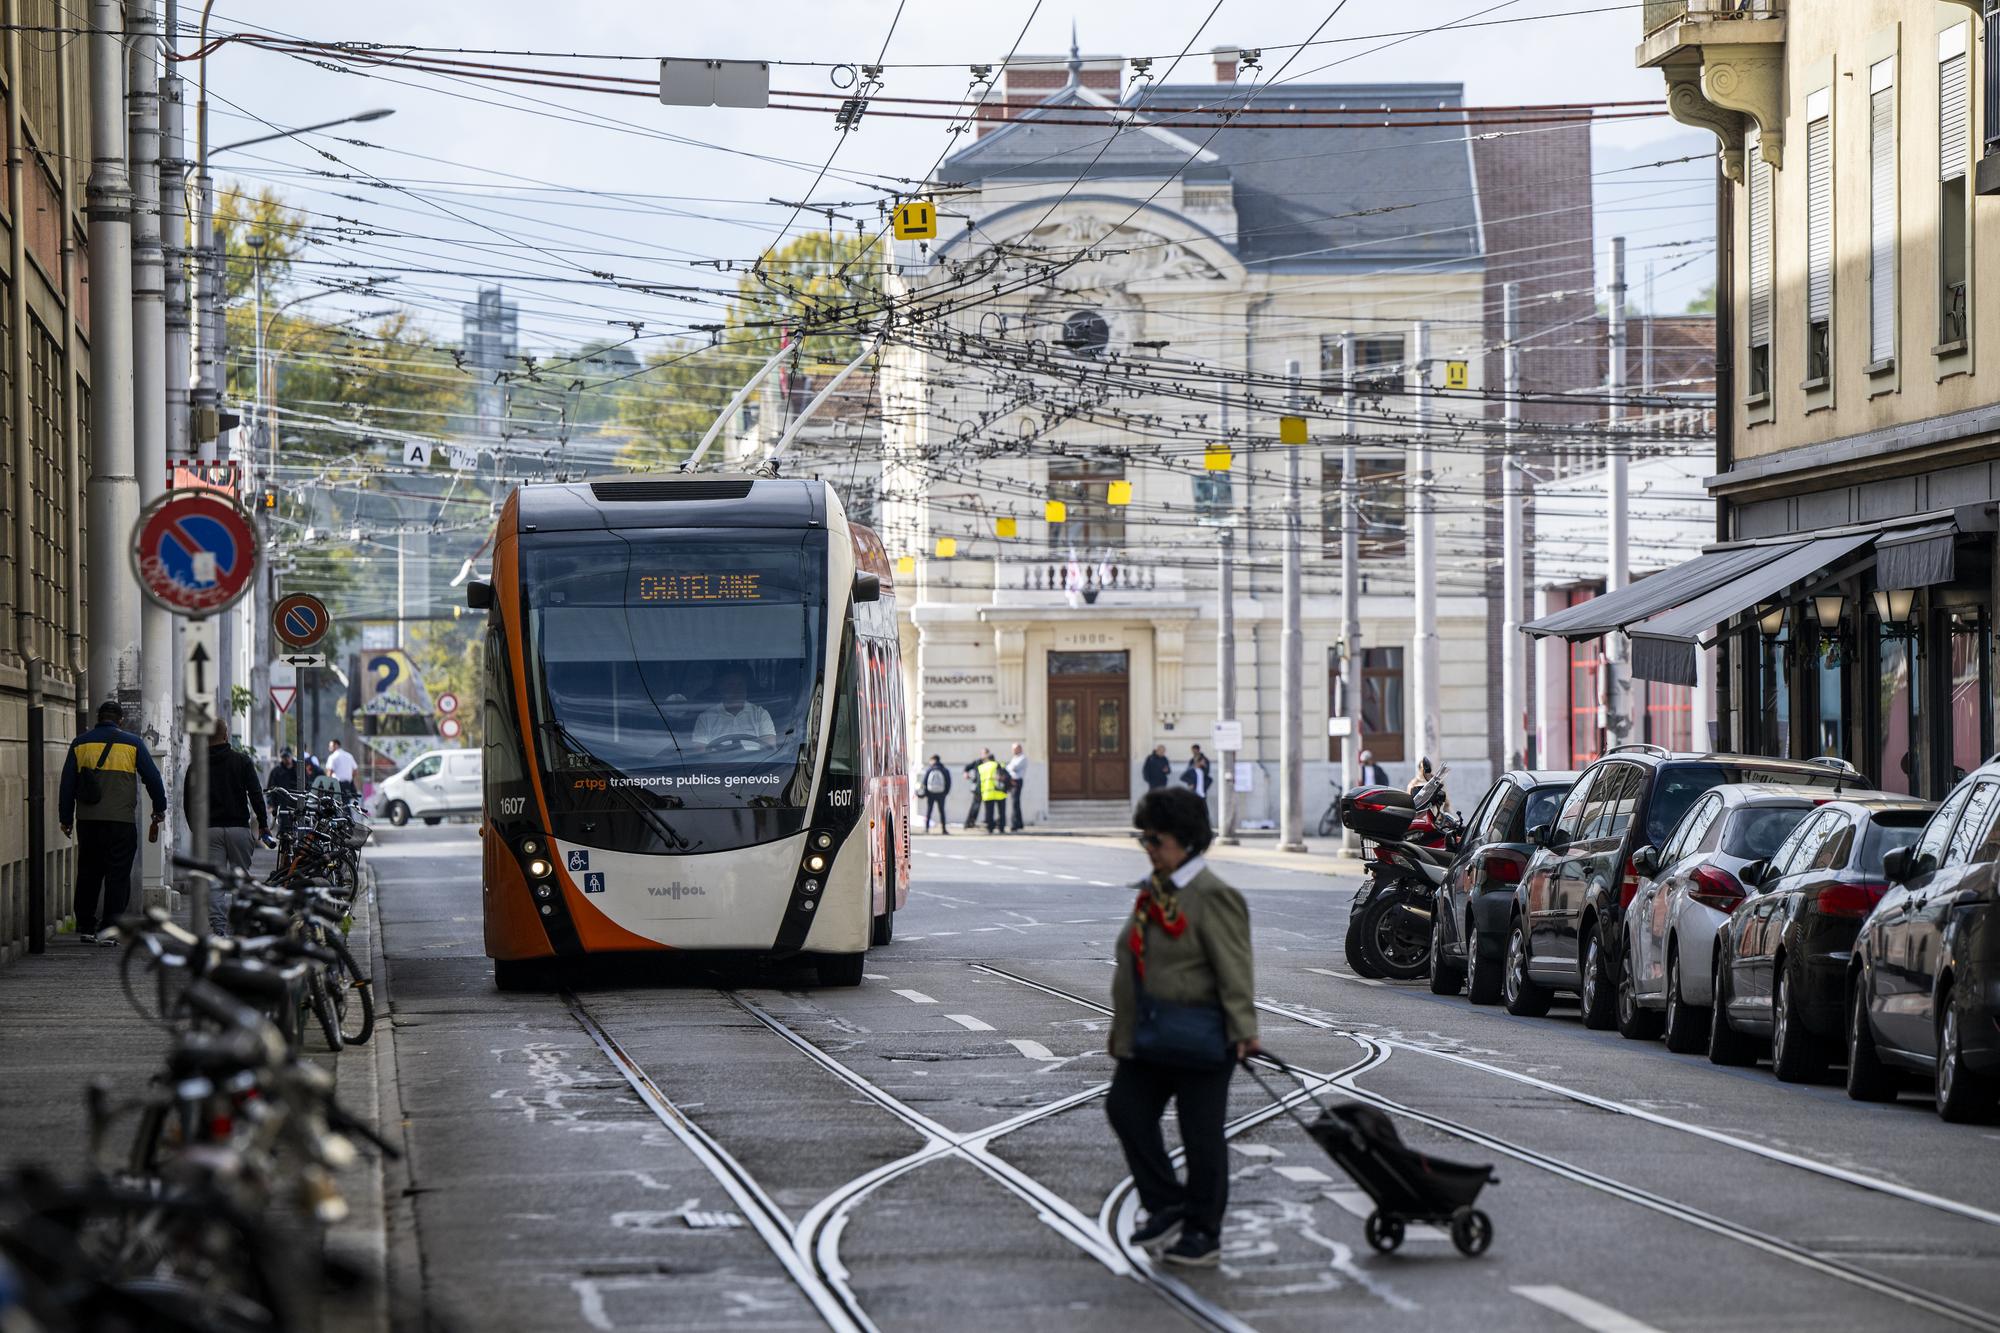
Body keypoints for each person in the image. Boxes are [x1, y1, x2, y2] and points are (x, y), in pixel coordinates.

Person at [1107, 786, 1258, 1269]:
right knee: (1126, 1109)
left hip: (1201, 1033)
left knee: (1201, 1136)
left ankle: (1203, 1232)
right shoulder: (1158, 890)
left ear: (1186, 842)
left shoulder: (1214, 896)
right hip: (1151, 1033)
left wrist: (1243, 1030)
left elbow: (1235, 967)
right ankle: (1169, 1204)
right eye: (1144, 839)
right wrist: (1123, 1031)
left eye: (1156, 840)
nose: (1148, 848)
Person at [58, 701, 167, 945]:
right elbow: (153, 778)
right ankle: (110, 929)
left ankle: (86, 926)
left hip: (88, 822)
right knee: (118, 876)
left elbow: (67, 785)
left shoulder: (80, 744)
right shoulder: (133, 744)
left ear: (98, 718)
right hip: (121, 822)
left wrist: (65, 818)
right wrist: (160, 808)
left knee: (88, 873)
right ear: (120, 721)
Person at [185, 720, 271, 936]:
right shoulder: (241, 761)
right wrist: (263, 824)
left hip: (209, 830)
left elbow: (188, 801)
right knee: (240, 878)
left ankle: (220, 930)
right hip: (238, 830)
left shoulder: (196, 765)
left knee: (215, 884)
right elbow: (255, 794)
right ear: (226, 736)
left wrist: (196, 830)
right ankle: (241, 927)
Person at [694, 666, 777, 751]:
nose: (737, 690)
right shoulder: (706, 717)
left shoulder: (760, 714)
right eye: (731, 685)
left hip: (756, 763)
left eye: (740, 684)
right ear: (721, 689)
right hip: (717, 763)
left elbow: (770, 751)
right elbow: (700, 753)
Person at [977, 749, 1008, 833]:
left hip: (987, 792)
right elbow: (1006, 777)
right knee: (1001, 812)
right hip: (999, 792)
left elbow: (978, 781)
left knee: (989, 812)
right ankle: (1001, 828)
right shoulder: (999, 765)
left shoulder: (981, 767)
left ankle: (990, 828)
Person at [920, 754, 952, 834]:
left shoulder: (930, 769)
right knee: (942, 811)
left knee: (929, 811)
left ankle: (926, 828)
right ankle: (944, 829)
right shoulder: (944, 769)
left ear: (934, 760)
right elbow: (948, 782)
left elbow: (924, 782)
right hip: (941, 794)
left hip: (931, 794)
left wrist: (926, 793)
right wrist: (945, 792)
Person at [962, 749, 989, 830]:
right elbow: (967, 768)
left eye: (986, 753)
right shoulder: (977, 762)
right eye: (984, 753)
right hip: (978, 787)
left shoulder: (990, 762)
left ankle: (987, 822)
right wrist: (966, 773)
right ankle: (969, 822)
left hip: (988, 788)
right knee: (975, 806)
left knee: (988, 807)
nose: (985, 755)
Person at [1006, 742, 1028, 832]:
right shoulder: (1015, 758)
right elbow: (1008, 768)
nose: (1013, 750)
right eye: (1013, 749)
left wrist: (1009, 767)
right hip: (1012, 781)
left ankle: (1015, 824)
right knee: (1015, 803)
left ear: (1020, 749)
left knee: (1015, 802)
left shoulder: (1022, 758)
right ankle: (1019, 823)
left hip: (1017, 781)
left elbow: (1013, 768)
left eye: (1015, 749)